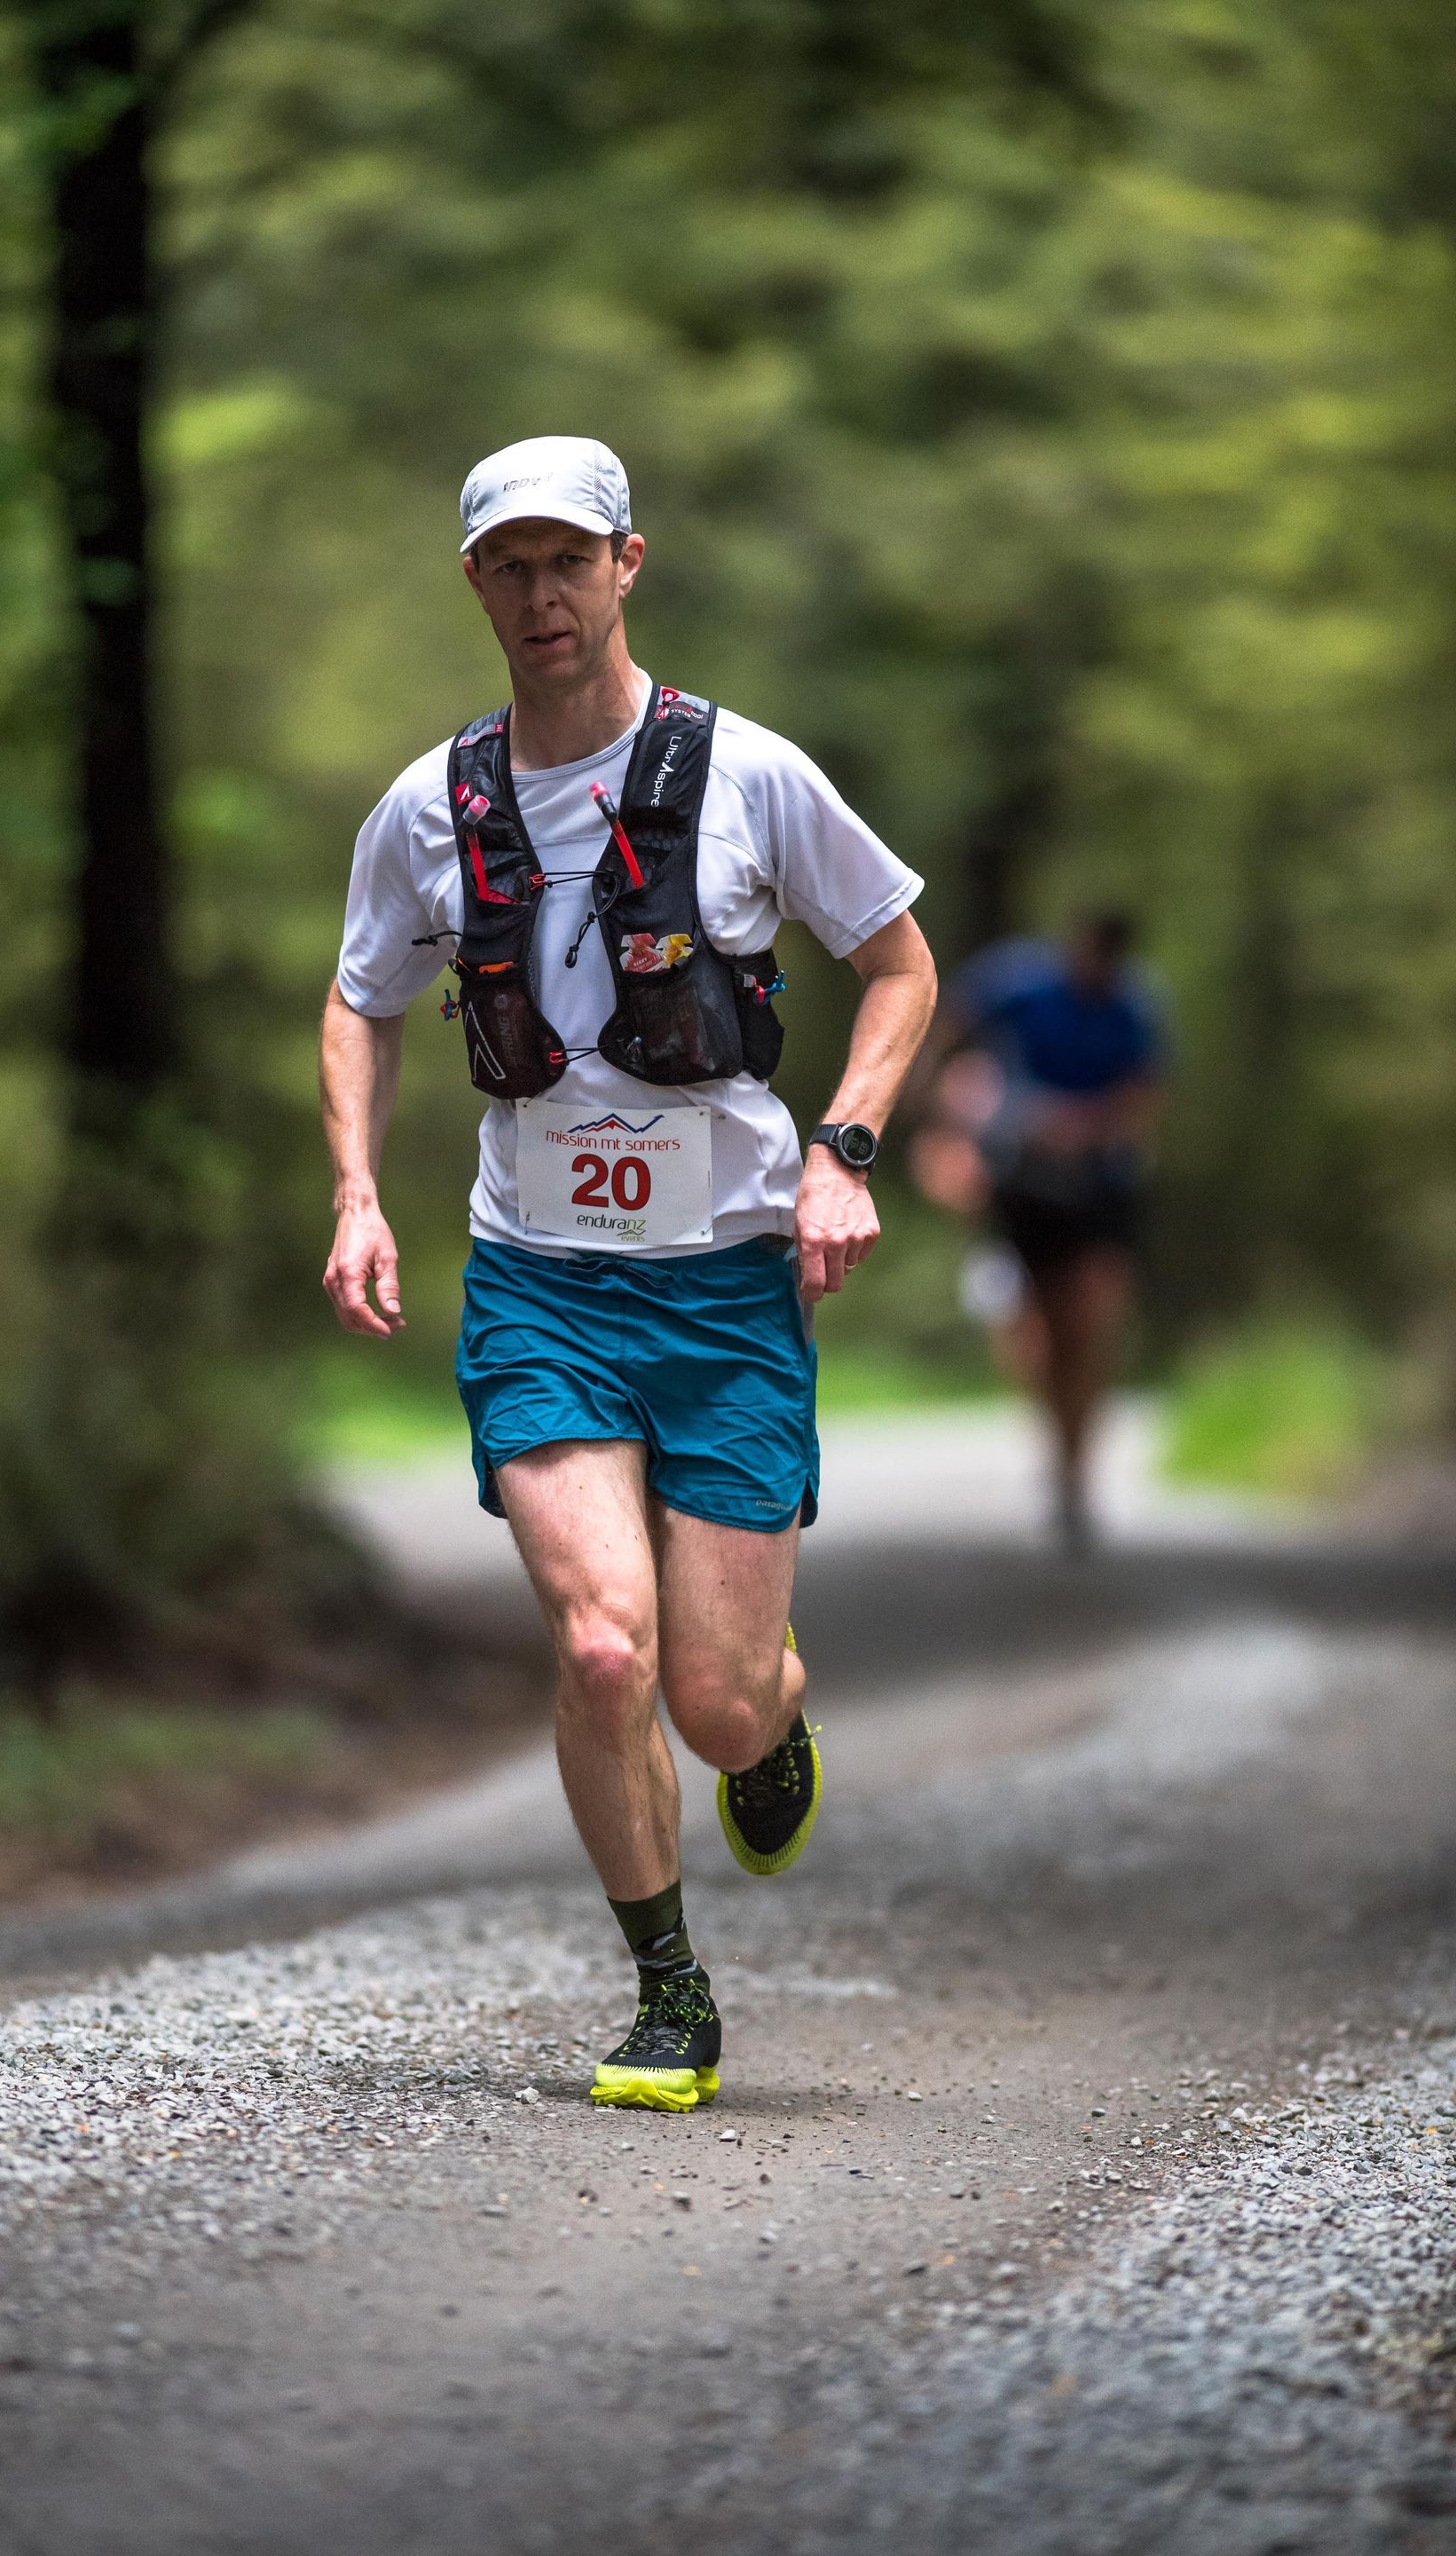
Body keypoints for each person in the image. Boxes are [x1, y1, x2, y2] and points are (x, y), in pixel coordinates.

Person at [319, 434, 935, 2112]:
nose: (540, 594)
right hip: (539, 1285)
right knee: (605, 1648)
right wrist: (360, 1194)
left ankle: (775, 1717)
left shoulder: (748, 777)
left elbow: (897, 962)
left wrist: (846, 1149)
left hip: (726, 1283)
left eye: (566, 561)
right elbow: (362, 996)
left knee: (717, 1705)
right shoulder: (430, 807)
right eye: (508, 567)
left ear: (626, 566)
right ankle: (669, 1987)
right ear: (474, 585)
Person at [909, 914, 1166, 1550]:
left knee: (1093, 1322)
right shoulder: (1019, 982)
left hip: (1100, 1186)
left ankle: (1077, 1471)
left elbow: (1147, 1093)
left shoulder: (1137, 1006)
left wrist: (1088, 1126)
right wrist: (943, 1119)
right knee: (1039, 1333)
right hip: (1022, 1183)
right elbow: (948, 1027)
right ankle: (1061, 1455)